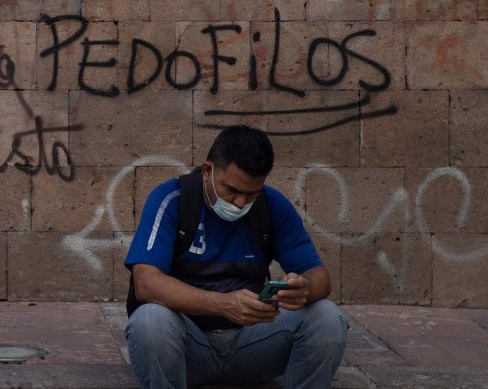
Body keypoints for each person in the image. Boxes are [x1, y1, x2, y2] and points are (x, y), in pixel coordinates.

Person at [124, 125, 347, 389]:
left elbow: (320, 277)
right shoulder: (172, 199)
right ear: (208, 171)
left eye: (251, 193)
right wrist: (222, 304)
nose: (240, 203)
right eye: (231, 190)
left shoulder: (272, 205)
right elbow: (146, 283)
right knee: (150, 320)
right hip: (185, 349)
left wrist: (303, 289)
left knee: (327, 317)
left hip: (254, 345)